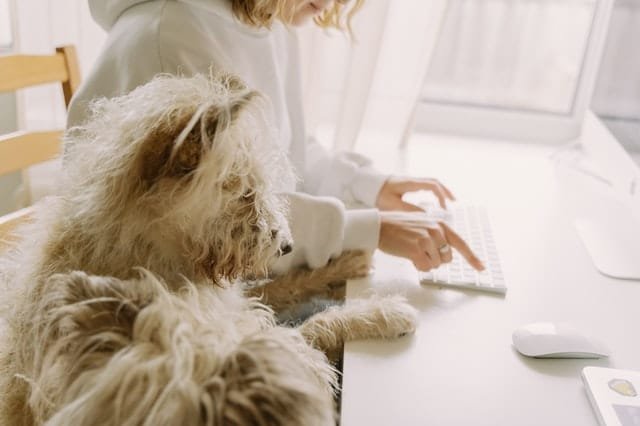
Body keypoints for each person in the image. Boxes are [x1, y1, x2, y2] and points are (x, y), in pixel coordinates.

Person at [68, 0, 485, 276]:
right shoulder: (169, 37)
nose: (329, 4)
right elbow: (222, 229)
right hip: (157, 308)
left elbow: (289, 157)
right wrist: (369, 230)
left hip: (240, 281)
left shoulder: (269, 24)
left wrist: (369, 187)